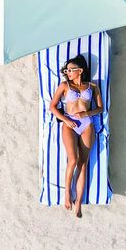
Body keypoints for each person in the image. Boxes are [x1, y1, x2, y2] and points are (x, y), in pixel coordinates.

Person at [49, 54, 103, 218]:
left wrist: (86, 112)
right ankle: (67, 193)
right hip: (69, 124)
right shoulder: (65, 85)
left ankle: (78, 202)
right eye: (66, 70)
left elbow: (100, 108)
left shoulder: (92, 86)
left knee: (83, 163)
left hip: (87, 124)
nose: (68, 73)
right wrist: (66, 119)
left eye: (71, 70)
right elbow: (52, 107)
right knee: (72, 159)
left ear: (80, 71)